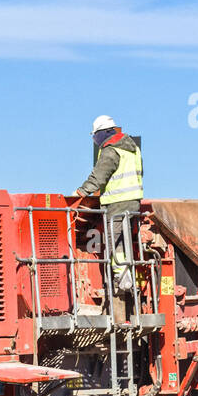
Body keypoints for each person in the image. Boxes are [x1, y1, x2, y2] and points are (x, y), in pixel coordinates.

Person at [74, 115, 144, 296]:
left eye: (94, 135)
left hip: (117, 202)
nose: (94, 139)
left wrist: (80, 192)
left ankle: (123, 279)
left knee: (115, 239)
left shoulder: (110, 149)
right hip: (134, 201)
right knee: (125, 238)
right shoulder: (132, 147)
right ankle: (125, 275)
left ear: (102, 133)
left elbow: (99, 176)